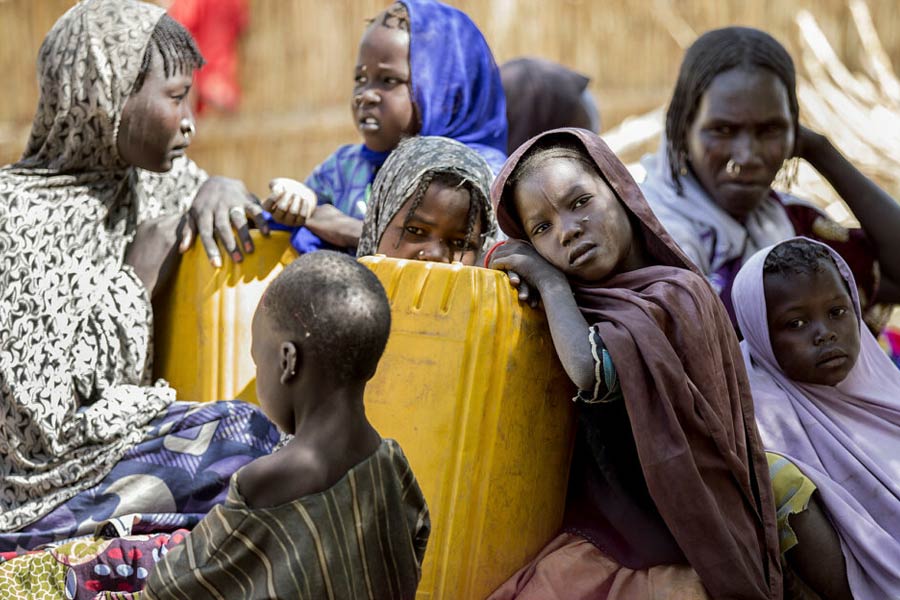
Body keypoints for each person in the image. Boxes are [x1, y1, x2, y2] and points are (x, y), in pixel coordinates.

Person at [0, 0, 281, 551]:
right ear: (107, 97)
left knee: (263, 449)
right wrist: (140, 273)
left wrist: (219, 186)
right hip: (42, 489)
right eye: (175, 96)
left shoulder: (150, 182)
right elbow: (37, 428)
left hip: (121, 452)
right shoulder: (16, 215)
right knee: (245, 444)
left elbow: (221, 204)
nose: (189, 119)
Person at [486, 128, 780, 599]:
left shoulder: (678, 294)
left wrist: (550, 283)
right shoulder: (580, 306)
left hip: (686, 542)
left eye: (580, 201)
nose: (567, 229)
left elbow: (590, 371)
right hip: (604, 529)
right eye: (540, 228)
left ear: (620, 192)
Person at [144, 251, 431, 599]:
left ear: (286, 361)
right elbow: (418, 537)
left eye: (256, 360)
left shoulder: (268, 479)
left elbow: (173, 585)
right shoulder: (393, 461)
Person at [640, 26, 900, 327]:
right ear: (683, 130)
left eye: (770, 130)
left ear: (794, 134)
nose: (747, 156)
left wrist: (822, 151)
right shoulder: (644, 233)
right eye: (722, 130)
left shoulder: (795, 225)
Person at [262, 0, 507, 255]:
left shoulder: (481, 179)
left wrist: (350, 230)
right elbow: (302, 218)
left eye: (389, 80)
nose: (365, 95)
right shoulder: (344, 168)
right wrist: (297, 203)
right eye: (360, 79)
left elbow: (485, 262)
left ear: (447, 90)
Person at [732, 237, 900, 599]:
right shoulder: (765, 421)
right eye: (795, 323)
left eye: (838, 312)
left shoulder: (885, 387)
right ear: (759, 333)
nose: (825, 333)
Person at [356, 135, 496, 264]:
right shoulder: (343, 289)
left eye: (460, 243)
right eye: (415, 230)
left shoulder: (492, 290)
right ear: (379, 222)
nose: (434, 255)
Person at [500, 57, 600, 154]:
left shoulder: (509, 98)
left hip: (574, 102)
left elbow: (517, 151)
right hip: (576, 91)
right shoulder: (502, 85)